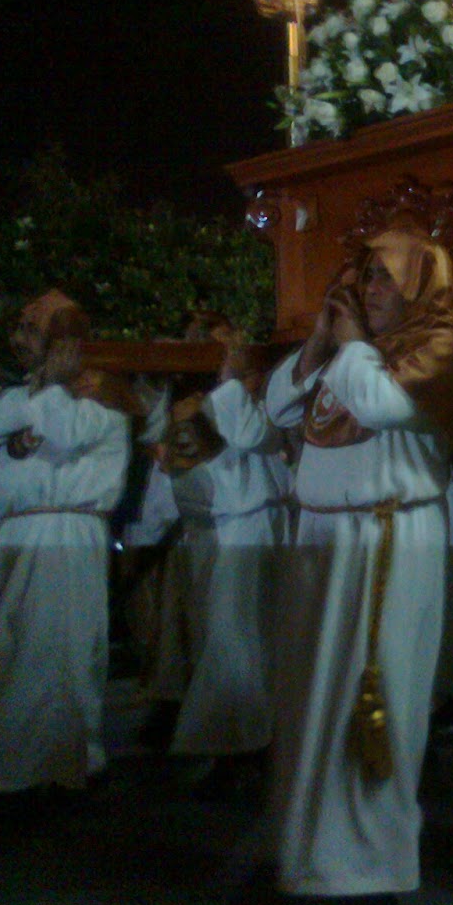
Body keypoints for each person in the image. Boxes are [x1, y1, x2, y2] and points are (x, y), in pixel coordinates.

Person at [253, 228, 453, 905]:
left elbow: (382, 408)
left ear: (419, 285)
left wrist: (348, 345)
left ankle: (365, 879)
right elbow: (276, 410)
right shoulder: (353, 358)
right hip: (325, 542)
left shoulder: (441, 348)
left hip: (385, 543)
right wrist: (322, 342)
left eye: (381, 277)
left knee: (369, 705)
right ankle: (318, 860)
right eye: (363, 276)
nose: (366, 289)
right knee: (314, 707)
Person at [0, 290, 133, 851]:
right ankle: (55, 766)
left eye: (31, 328)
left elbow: (70, 432)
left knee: (50, 653)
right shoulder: (19, 395)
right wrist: (35, 395)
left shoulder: (100, 395)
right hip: (18, 538)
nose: (17, 337)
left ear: (63, 341)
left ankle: (19, 776)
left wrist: (47, 390)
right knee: (13, 651)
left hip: (64, 535)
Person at [170, 334, 290, 795]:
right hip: (228, 533)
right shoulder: (200, 408)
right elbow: (206, 462)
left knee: (254, 640)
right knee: (229, 641)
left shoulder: (251, 404)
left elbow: (256, 436)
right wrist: (230, 383)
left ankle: (259, 745)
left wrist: (237, 385)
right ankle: (235, 746)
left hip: (261, 528)